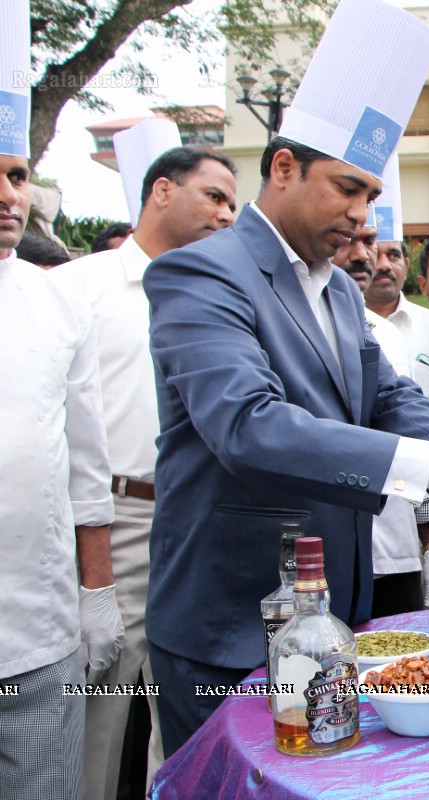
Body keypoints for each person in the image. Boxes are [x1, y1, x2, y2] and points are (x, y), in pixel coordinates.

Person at [142, 1, 429, 757]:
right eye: (346, 189)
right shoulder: (201, 273)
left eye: (372, 199)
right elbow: (247, 425)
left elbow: (382, 396)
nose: (361, 219)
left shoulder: (340, 288)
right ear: (284, 167)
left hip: (334, 613)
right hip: (234, 619)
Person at [51, 145, 237, 800]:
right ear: (161, 190)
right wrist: (90, 572)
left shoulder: (226, 297)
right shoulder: (80, 287)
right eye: (214, 196)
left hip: (197, 525)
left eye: (233, 205)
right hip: (113, 522)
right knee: (97, 706)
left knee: (191, 711)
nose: (227, 214)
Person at [1, 19, 123, 791]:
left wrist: (97, 595)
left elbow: (86, 467)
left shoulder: (53, 301)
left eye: (16, 175)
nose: (8, 195)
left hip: (37, 640)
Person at [331, 220, 426, 615]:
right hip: (326, 540)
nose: (362, 256)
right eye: (349, 240)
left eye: (369, 240)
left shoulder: (385, 332)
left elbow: (401, 404)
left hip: (395, 539)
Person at [364, 232, 429, 416]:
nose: (384, 265)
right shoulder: (340, 321)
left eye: (393, 255)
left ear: (407, 266)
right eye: (374, 254)